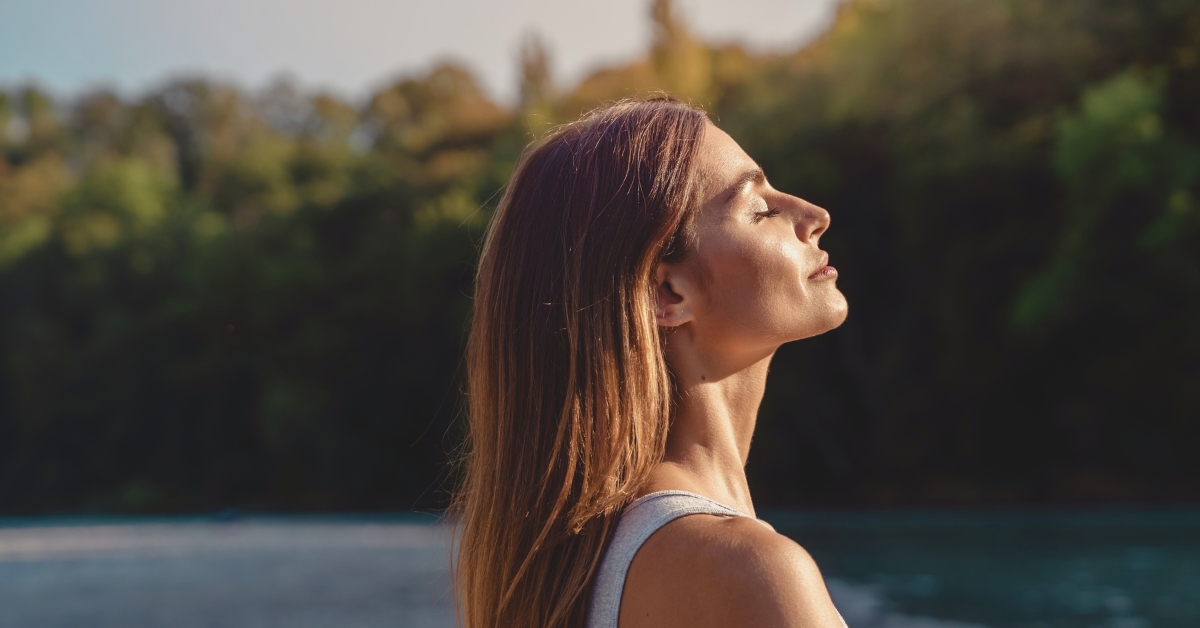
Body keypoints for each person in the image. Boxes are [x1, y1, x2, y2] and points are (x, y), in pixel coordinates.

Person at [453, 97, 849, 628]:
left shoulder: (583, 572)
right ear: (668, 293)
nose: (815, 216)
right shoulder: (747, 571)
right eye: (760, 210)